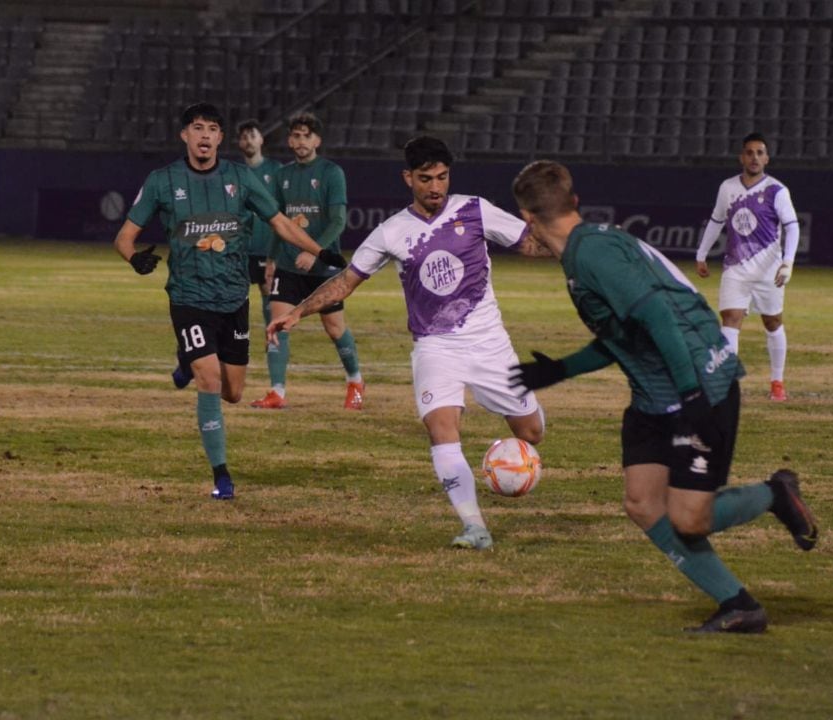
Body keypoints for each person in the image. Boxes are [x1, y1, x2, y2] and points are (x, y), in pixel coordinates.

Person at [509, 160, 818, 633]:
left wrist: (692, 394)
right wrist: (558, 370)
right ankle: (739, 605)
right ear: (573, 202)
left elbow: (656, 314)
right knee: (642, 503)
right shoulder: (590, 247)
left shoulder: (591, 255)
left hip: (697, 386)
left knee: (689, 519)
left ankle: (773, 494)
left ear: (528, 219)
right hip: (654, 396)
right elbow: (625, 335)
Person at [267, 136, 545, 549]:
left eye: (443, 177)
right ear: (407, 178)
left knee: (531, 432)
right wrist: (297, 311)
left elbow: (530, 242)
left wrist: (574, 247)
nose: (436, 187)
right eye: (426, 178)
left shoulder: (474, 209)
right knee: (441, 428)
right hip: (436, 346)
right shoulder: (392, 231)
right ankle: (474, 527)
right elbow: (346, 281)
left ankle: (504, 453)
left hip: (489, 343)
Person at [113, 103, 345, 500]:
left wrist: (321, 253)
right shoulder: (162, 181)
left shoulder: (240, 178)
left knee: (233, 392)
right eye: (197, 128)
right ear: (185, 135)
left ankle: (186, 361)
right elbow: (123, 237)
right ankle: (221, 476)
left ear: (221, 138)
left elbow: (280, 223)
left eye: (213, 129)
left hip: (233, 297)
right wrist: (135, 259)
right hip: (188, 298)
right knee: (210, 378)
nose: (205, 135)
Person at [251, 112, 363, 411]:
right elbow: (279, 222)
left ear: (317, 140)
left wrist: (314, 251)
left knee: (335, 329)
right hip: (287, 265)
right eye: (296, 135)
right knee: (278, 324)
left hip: (323, 268)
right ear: (290, 139)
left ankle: (355, 381)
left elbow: (338, 221)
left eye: (306, 135)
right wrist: (272, 259)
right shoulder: (282, 176)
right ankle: (277, 392)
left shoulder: (331, 173)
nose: (300, 141)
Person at [695, 132, 800, 402]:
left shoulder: (777, 190)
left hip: (768, 270)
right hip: (736, 267)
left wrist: (787, 263)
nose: (754, 157)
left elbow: (792, 226)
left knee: (773, 321)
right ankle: (727, 385)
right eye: (750, 152)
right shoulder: (728, 187)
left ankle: (777, 381)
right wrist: (702, 253)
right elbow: (716, 221)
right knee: (730, 319)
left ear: (767, 158)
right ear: (742, 156)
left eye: (759, 153)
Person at [235, 119, 283, 332]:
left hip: (267, 247)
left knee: (268, 292)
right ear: (239, 143)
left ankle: (271, 335)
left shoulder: (276, 170)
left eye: (252, 136)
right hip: (240, 247)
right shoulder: (233, 172)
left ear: (261, 139)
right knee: (236, 293)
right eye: (244, 137)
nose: (249, 141)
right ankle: (235, 337)